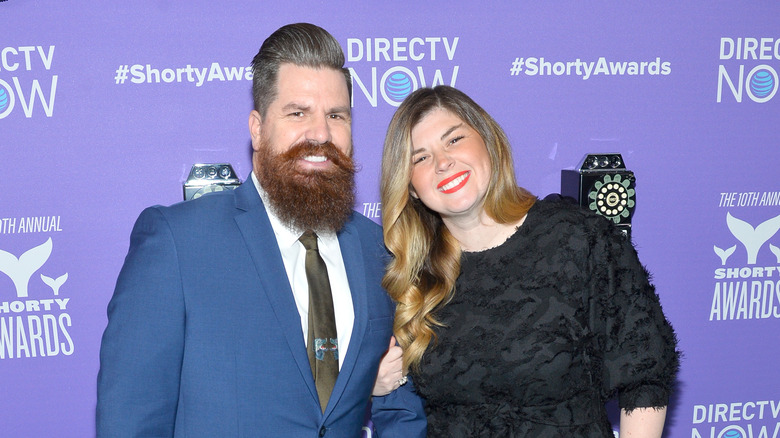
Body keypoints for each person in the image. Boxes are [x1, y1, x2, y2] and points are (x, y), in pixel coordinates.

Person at [96, 23, 425, 438]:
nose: (320, 134)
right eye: (297, 113)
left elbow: (399, 406)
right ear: (256, 128)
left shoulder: (375, 248)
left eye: (336, 115)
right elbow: (131, 422)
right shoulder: (177, 243)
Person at [377, 85, 680, 437]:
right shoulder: (412, 275)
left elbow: (644, 370)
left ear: (488, 141)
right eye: (421, 158)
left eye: (454, 140)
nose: (443, 162)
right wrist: (377, 382)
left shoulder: (576, 237)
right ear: (411, 187)